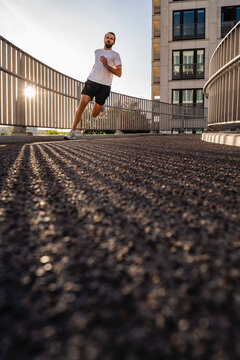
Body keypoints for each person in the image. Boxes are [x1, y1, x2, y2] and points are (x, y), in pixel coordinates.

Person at [64, 32, 122, 140]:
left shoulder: (115, 55)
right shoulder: (97, 52)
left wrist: (106, 65)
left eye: (111, 38)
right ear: (104, 39)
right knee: (82, 104)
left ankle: (100, 107)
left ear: (114, 42)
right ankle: (72, 132)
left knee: (94, 114)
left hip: (104, 86)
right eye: (107, 37)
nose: (109, 40)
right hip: (91, 81)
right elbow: (95, 65)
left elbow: (119, 73)